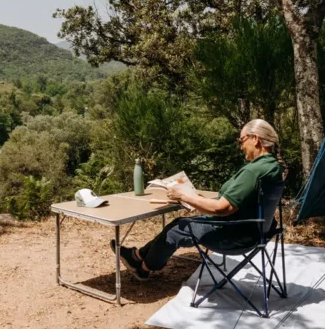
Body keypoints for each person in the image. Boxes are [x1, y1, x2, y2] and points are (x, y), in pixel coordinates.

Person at [112, 119, 285, 280]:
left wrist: (184, 196)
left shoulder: (253, 171)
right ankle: (138, 256)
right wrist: (197, 198)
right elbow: (243, 201)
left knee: (177, 229)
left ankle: (144, 268)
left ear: (255, 139)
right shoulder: (272, 167)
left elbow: (222, 209)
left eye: (241, 141)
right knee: (180, 223)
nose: (241, 147)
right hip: (255, 232)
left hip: (234, 235)